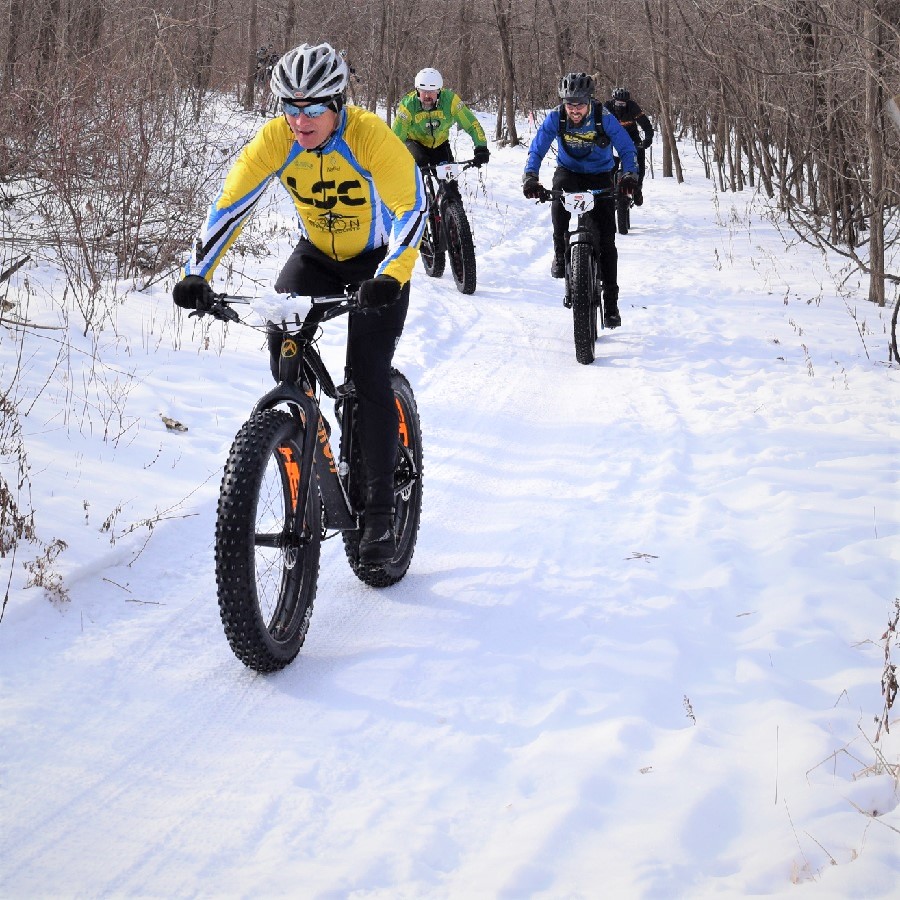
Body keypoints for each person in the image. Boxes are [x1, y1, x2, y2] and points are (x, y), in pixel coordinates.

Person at [172, 42, 427, 565]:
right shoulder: (277, 139)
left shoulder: (369, 137)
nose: (299, 121)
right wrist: (197, 273)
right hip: (315, 257)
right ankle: (308, 434)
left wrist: (391, 274)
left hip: (378, 265)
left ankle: (380, 511)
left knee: (368, 375)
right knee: (281, 336)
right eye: (290, 107)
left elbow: (411, 208)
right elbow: (230, 205)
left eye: (312, 109)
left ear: (338, 104)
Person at [522, 72, 638, 328]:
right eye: (570, 105)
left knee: (607, 240)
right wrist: (530, 177)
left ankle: (611, 303)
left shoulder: (603, 117)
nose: (575, 110)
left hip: (600, 175)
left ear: (590, 102)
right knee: (558, 195)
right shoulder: (556, 117)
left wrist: (629, 174)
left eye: (580, 105)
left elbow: (627, 148)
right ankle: (560, 252)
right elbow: (537, 148)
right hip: (569, 172)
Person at [392, 68, 490, 170]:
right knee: (420, 160)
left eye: (431, 92)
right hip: (414, 143)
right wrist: (389, 157)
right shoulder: (408, 105)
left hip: (439, 144)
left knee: (448, 177)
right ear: (417, 91)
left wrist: (481, 147)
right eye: (423, 91)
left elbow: (471, 124)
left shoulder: (450, 101)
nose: (427, 96)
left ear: (439, 91)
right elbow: (396, 135)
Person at [604, 87, 654, 206]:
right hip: (612, 138)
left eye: (623, 103)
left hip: (631, 137)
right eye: (618, 103)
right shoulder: (607, 107)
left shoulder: (632, 107)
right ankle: (607, 189)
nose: (620, 106)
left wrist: (648, 139)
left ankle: (637, 189)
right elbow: (599, 125)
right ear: (613, 101)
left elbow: (646, 124)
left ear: (627, 102)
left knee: (639, 159)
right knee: (608, 163)